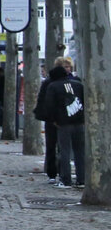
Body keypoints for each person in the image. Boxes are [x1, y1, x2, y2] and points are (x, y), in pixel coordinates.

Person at [45, 56, 84, 188]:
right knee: (80, 151)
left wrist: (54, 120)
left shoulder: (53, 86)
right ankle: (81, 179)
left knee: (64, 151)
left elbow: (50, 106)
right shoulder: (78, 84)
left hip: (63, 123)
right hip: (79, 121)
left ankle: (65, 179)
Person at [33, 59, 65, 184]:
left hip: (63, 120)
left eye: (69, 66)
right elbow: (44, 102)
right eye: (65, 66)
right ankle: (53, 172)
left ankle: (61, 171)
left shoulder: (69, 81)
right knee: (52, 146)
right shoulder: (49, 83)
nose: (67, 69)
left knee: (62, 147)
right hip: (53, 120)